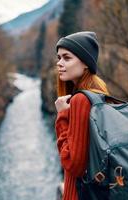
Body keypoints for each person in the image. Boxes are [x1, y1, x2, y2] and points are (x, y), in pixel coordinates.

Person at [54, 31, 109, 200]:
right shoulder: (99, 92)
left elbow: (74, 165)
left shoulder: (80, 100)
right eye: (59, 57)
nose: (59, 63)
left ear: (85, 63)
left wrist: (62, 116)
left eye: (67, 58)